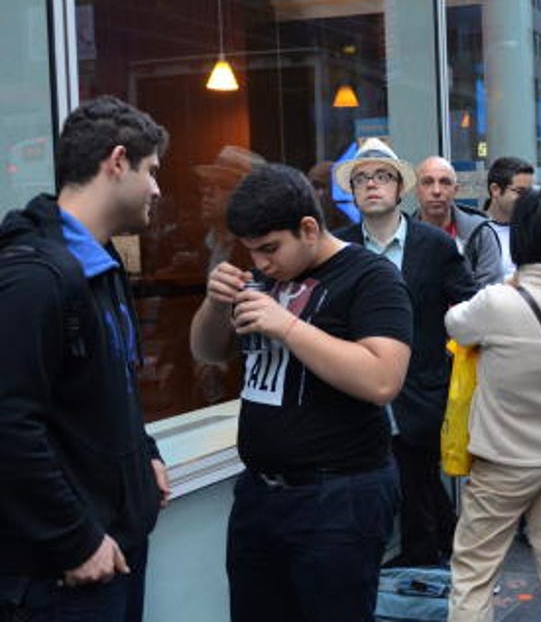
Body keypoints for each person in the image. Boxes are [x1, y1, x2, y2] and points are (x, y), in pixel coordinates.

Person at [190, 164, 413, 621]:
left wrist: (288, 326)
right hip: (260, 494)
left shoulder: (370, 276)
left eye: (270, 248)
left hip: (339, 494)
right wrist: (214, 304)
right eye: (251, 251)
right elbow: (208, 351)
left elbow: (383, 379)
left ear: (308, 228)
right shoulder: (263, 277)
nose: (261, 263)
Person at [0, 96, 170, 621]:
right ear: (117, 162)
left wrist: (144, 450)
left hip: (113, 552)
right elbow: (9, 422)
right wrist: (74, 540)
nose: (158, 189)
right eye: (151, 171)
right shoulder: (34, 276)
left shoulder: (102, 260)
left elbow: (103, 384)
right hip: (63, 575)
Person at [445, 187, 541, 622]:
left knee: (474, 571)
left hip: (503, 462)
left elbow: (454, 323)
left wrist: (508, 287)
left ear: (520, 240)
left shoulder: (496, 301)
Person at [332, 140, 476, 567]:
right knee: (392, 487)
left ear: (399, 189)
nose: (371, 185)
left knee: (416, 480)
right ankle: (433, 552)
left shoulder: (434, 245)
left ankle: (423, 566)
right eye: (361, 179)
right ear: (353, 192)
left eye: (382, 176)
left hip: (421, 390)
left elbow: (468, 306)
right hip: (359, 394)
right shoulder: (339, 249)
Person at [413, 156, 504, 288]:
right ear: (416, 190)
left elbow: (490, 295)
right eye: (427, 182)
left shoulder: (480, 233)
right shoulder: (404, 234)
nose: (436, 191)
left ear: (455, 190)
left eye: (445, 182)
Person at [483, 156, 535, 278]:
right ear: (495, 190)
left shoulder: (533, 229)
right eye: (520, 192)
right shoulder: (477, 232)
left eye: (530, 192)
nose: (527, 198)